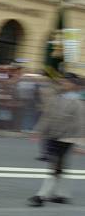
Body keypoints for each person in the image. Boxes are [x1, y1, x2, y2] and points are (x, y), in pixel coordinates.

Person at [28, 74, 85, 207]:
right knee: (60, 165)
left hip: (67, 138)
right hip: (53, 135)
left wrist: (81, 144)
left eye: (66, 81)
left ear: (74, 85)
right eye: (62, 81)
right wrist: (38, 131)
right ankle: (63, 195)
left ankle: (41, 196)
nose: (62, 83)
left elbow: (82, 124)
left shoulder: (79, 103)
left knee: (54, 165)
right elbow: (47, 116)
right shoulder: (56, 98)